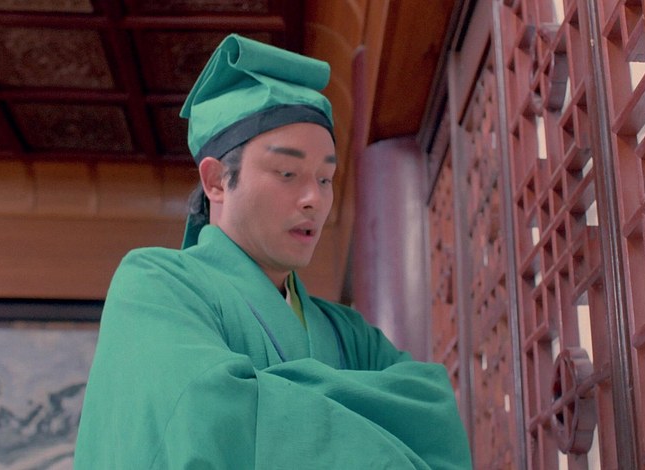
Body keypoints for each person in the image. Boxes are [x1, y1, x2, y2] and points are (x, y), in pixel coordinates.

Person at [73, 34, 472, 469]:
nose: (314, 199)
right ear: (216, 180)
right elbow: (204, 416)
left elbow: (434, 413)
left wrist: (267, 397)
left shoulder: (348, 333)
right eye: (287, 173)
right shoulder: (155, 285)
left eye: (325, 179)